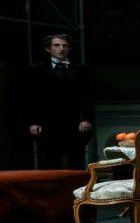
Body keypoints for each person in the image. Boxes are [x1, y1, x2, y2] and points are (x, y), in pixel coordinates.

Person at [25, 34, 95, 170]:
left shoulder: (81, 70)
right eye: (56, 45)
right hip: (47, 123)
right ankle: (51, 190)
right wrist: (33, 121)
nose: (61, 49)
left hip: (75, 123)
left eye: (64, 46)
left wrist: (86, 119)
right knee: (49, 161)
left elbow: (88, 96)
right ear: (48, 49)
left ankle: (76, 190)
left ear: (69, 49)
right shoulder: (36, 70)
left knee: (76, 160)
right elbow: (31, 97)